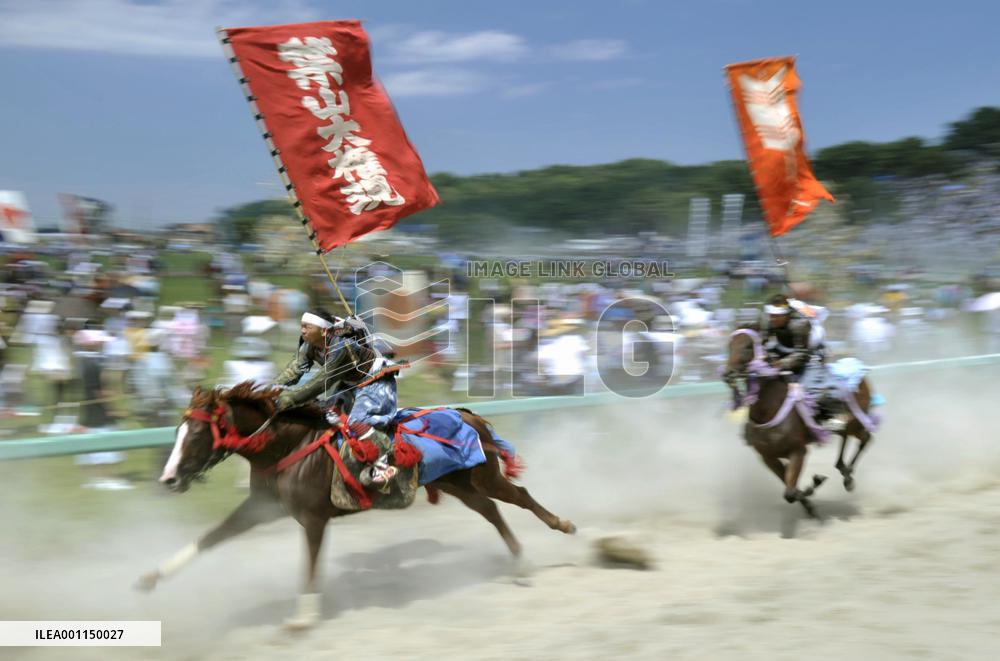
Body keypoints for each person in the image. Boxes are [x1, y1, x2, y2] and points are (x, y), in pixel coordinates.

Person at [271, 309, 405, 486]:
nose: (302, 330)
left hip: (375, 380)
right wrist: (272, 389)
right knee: (328, 415)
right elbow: (294, 370)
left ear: (323, 331)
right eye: (301, 326)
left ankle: (385, 463)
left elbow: (323, 381)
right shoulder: (308, 345)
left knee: (356, 421)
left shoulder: (342, 346)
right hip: (348, 384)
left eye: (307, 326)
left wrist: (291, 399)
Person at [761, 294, 846, 432]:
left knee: (810, 389)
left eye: (777, 316)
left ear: (787, 315)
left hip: (810, 356)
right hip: (784, 352)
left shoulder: (800, 324)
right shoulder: (769, 321)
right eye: (771, 316)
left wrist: (780, 364)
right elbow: (763, 343)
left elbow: (801, 354)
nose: (773, 319)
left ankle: (833, 415)